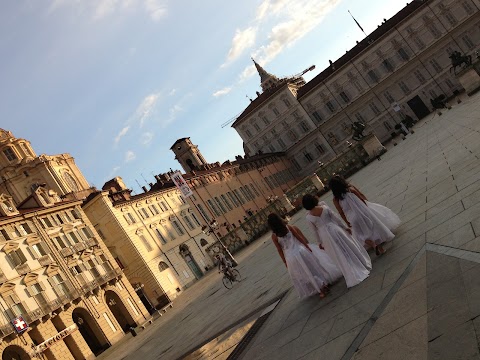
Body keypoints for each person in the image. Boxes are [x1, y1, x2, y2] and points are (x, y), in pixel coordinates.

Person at [303, 194, 371, 288]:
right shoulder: (324, 207)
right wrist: (345, 227)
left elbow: (315, 232)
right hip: (335, 229)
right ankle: (360, 263)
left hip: (325, 236)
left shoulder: (308, 217)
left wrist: (319, 242)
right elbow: (336, 218)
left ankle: (349, 272)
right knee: (347, 247)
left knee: (338, 255)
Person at [268, 213, 341, 299]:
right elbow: (299, 237)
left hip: (291, 257)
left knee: (303, 274)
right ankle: (322, 283)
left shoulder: (274, 236)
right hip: (301, 251)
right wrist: (307, 247)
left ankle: (321, 288)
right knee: (312, 268)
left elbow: (279, 250)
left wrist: (285, 262)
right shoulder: (288, 227)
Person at [328, 175, 399, 255]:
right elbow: (361, 199)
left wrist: (347, 222)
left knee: (359, 235)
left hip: (352, 217)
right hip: (363, 213)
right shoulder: (350, 189)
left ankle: (373, 244)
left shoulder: (336, 199)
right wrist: (367, 207)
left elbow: (341, 212)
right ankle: (381, 249)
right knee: (372, 230)